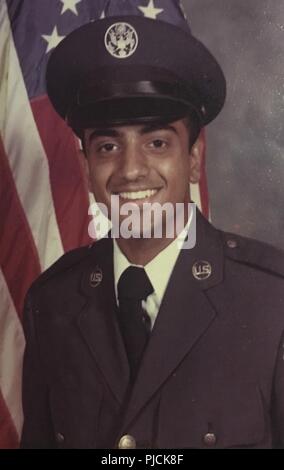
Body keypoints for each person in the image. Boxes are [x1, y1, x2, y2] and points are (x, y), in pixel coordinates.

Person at [21, 14, 284, 450]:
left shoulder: (271, 301)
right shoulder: (52, 305)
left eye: (157, 142)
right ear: (86, 167)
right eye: (108, 146)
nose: (130, 170)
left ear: (194, 157)